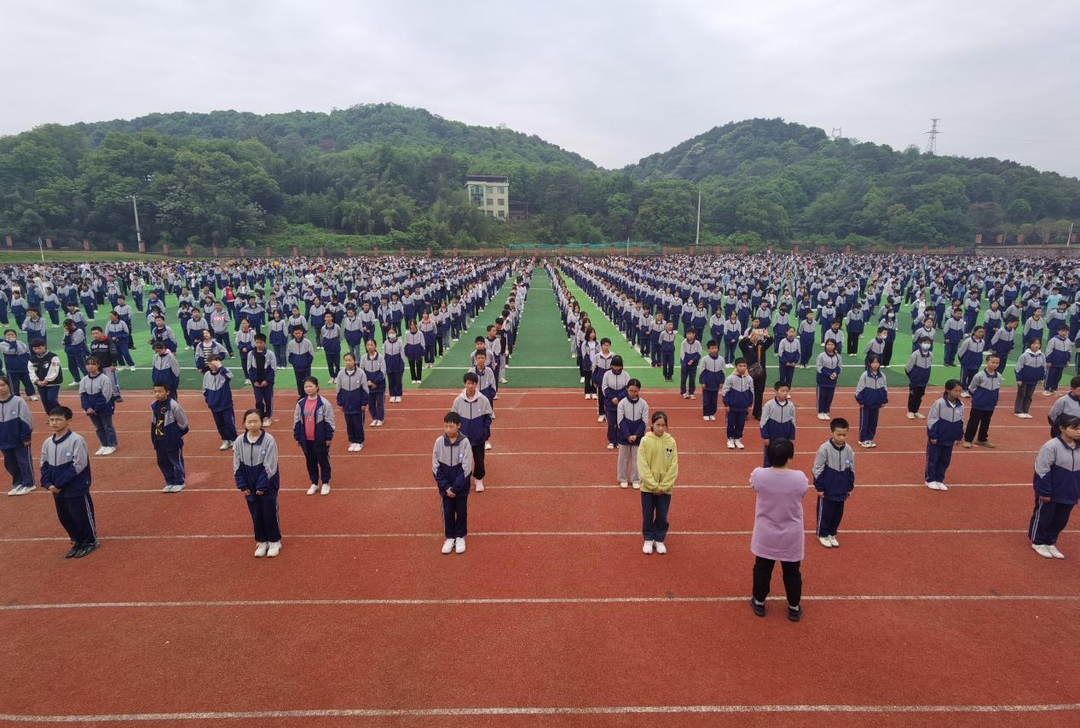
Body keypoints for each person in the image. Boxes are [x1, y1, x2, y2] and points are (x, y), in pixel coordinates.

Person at [749, 438, 809, 622]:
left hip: (766, 533)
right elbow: (804, 491)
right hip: (791, 535)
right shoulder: (799, 478)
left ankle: (759, 602)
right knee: (792, 572)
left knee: (762, 569)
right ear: (790, 457)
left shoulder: (759, 475)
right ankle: (793, 607)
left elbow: (753, 484)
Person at [40, 406, 96, 558]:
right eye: (51, 420)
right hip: (56, 489)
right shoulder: (47, 443)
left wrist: (58, 484)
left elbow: (79, 464)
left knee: (80, 514)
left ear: (68, 421)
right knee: (64, 516)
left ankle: (89, 541)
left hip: (75, 487)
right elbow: (44, 464)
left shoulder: (76, 440)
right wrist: (47, 483)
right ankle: (77, 540)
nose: (54, 423)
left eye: (58, 419)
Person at [1029, 414, 1080, 559]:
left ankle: (1050, 541)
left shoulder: (1078, 446)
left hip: (1070, 492)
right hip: (1051, 492)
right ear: (1062, 428)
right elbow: (1042, 470)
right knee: (1044, 517)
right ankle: (1038, 541)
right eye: (1075, 428)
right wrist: (1044, 492)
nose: (1079, 432)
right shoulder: (1051, 446)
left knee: (1061, 520)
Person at [234, 409, 282, 558]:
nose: (252, 424)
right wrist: (242, 485)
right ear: (244, 424)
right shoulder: (239, 441)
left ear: (261, 423)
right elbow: (236, 464)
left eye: (256, 421)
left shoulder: (268, 440)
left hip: (268, 483)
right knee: (255, 513)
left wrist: (262, 486)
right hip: (249, 482)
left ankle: (274, 540)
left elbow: (270, 465)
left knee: (269, 512)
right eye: (249, 421)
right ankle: (261, 540)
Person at [637, 410, 678, 554]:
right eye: (657, 425)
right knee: (648, 514)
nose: (660, 428)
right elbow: (642, 465)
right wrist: (653, 486)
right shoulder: (645, 441)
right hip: (648, 488)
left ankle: (659, 539)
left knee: (662, 514)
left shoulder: (671, 442)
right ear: (651, 424)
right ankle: (648, 538)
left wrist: (664, 486)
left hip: (665, 489)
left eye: (663, 425)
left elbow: (674, 466)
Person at [434, 410, 473, 555]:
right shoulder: (438, 442)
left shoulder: (465, 442)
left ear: (458, 426)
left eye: (451, 426)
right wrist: (446, 487)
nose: (448, 430)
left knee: (461, 511)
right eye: (445, 426)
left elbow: (467, 467)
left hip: (460, 487)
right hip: (445, 488)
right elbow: (435, 467)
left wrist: (455, 488)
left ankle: (460, 536)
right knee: (448, 511)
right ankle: (450, 537)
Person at [812, 418, 855, 548]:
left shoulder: (848, 450)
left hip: (841, 489)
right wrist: (819, 487)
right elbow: (817, 468)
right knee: (826, 512)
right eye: (839, 434)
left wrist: (849, 487)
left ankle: (832, 532)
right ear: (832, 433)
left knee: (838, 513)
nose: (842, 437)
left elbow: (851, 468)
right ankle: (822, 533)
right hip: (827, 489)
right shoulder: (824, 449)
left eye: (844, 435)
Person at [451, 372, 492, 492]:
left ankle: (479, 479)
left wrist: (483, 431)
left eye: (473, 383)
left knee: (479, 459)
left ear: (476, 384)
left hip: (478, 437)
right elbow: (453, 417)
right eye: (468, 383)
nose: (470, 386)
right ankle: (463, 479)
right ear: (464, 384)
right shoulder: (458, 400)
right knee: (462, 459)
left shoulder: (483, 400)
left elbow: (488, 417)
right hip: (463, 438)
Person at [294, 376, 334, 496]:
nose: (308, 389)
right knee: (310, 461)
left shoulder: (324, 403)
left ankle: (326, 482)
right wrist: (297, 436)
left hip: (320, 439)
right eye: (306, 386)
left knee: (323, 460)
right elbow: (296, 420)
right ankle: (314, 482)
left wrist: (328, 437)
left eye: (310, 386)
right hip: (306, 439)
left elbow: (329, 421)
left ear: (317, 387)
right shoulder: (300, 403)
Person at [925, 380, 965, 491]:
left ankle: (939, 479)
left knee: (945, 460)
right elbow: (932, 419)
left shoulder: (961, 405)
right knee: (933, 459)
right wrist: (932, 435)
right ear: (948, 390)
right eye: (955, 390)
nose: (958, 393)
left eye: (960, 391)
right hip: (937, 438)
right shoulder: (939, 403)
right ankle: (930, 479)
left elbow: (961, 421)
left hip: (950, 438)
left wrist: (958, 436)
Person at [151, 383, 189, 493]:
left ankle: (179, 482)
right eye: (155, 392)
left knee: (175, 461)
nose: (157, 394)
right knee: (162, 461)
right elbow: (154, 421)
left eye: (160, 391)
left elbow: (183, 423)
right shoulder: (153, 405)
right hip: (159, 438)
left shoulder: (174, 406)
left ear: (167, 392)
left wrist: (177, 434)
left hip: (172, 438)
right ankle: (170, 481)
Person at [0, 376, 34, 496]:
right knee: (10, 463)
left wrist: (26, 437)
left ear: (9, 386)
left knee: (24, 462)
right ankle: (18, 482)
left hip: (19, 439)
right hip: (3, 440)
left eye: (3, 385)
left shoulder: (18, 401)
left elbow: (26, 420)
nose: (1, 388)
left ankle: (29, 483)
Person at [79, 357, 118, 456]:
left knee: (107, 426)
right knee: (98, 428)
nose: (90, 366)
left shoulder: (104, 379)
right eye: (88, 364)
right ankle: (104, 444)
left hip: (104, 407)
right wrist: (87, 407)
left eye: (93, 364)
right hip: (91, 409)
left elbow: (106, 395)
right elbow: (83, 395)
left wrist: (95, 408)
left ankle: (111, 445)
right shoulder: (84, 380)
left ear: (98, 365)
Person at [964, 353, 1002, 448]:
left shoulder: (999, 376)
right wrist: (978, 398)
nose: (995, 364)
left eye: (997, 363)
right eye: (993, 362)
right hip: (979, 404)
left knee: (986, 422)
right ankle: (968, 439)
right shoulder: (979, 375)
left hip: (990, 404)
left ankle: (982, 439)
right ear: (987, 362)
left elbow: (997, 388)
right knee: (974, 422)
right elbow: (972, 388)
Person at [616, 379, 649, 489]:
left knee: (637, 459)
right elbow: (620, 421)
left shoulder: (644, 404)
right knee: (623, 458)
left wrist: (636, 435)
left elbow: (644, 421)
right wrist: (628, 435)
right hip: (624, 435)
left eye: (635, 391)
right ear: (627, 389)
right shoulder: (622, 403)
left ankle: (635, 479)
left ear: (639, 390)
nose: (633, 393)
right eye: (631, 390)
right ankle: (623, 479)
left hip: (638, 437)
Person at [336, 352, 369, 452]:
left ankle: (359, 441)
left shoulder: (360, 373)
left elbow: (365, 389)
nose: (348, 362)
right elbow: (338, 389)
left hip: (357, 404)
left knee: (358, 423)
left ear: (354, 361)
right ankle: (352, 441)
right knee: (349, 423)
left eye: (350, 360)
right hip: (346, 404)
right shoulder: (341, 373)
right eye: (346, 360)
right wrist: (340, 403)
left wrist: (364, 403)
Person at [203, 355, 237, 451]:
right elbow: (204, 389)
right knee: (219, 423)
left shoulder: (224, 372)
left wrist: (220, 367)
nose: (211, 366)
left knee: (229, 422)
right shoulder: (207, 375)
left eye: (213, 363)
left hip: (225, 404)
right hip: (214, 405)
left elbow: (230, 376)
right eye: (209, 364)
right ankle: (225, 440)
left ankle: (234, 440)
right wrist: (208, 400)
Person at [738, 325, 773, 419]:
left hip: (761, 373)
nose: (755, 336)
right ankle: (744, 412)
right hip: (748, 373)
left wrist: (766, 335)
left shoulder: (761, 345)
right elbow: (740, 344)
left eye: (756, 334)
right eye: (753, 334)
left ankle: (757, 413)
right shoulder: (746, 345)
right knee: (746, 393)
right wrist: (749, 336)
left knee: (759, 393)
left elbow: (771, 341)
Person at [760, 381, 796, 467]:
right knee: (768, 458)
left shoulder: (791, 406)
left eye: (787, 391)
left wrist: (791, 437)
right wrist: (765, 436)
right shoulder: (769, 405)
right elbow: (763, 422)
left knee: (783, 458)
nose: (785, 393)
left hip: (785, 438)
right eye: (782, 391)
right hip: (772, 438)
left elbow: (793, 422)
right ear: (776, 391)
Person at [854, 356, 888, 448]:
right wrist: (860, 401)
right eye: (873, 362)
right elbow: (859, 390)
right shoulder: (865, 375)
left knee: (873, 422)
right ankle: (862, 439)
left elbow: (884, 389)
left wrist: (884, 400)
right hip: (866, 404)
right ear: (869, 363)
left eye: (877, 362)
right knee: (864, 422)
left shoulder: (882, 376)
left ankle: (870, 438)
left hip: (876, 404)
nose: (875, 365)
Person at [722, 358, 754, 450]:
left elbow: (751, 392)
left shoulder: (749, 379)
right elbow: (725, 392)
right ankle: (730, 439)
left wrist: (750, 405)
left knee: (741, 423)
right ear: (736, 367)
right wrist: (726, 404)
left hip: (743, 407)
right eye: (740, 366)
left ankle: (738, 438)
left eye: (744, 366)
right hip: (732, 407)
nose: (742, 368)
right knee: (731, 423)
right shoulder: (730, 378)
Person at [247, 334, 276, 427]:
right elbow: (249, 368)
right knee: (258, 400)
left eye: (261, 342)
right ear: (254, 342)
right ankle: (260, 415)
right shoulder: (251, 354)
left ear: (264, 343)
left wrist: (267, 380)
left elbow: (273, 368)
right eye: (257, 342)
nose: (258, 344)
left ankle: (267, 417)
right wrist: (254, 380)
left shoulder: (270, 354)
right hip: (256, 382)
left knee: (268, 399)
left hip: (267, 382)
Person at [601, 356, 630, 450]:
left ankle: (619, 441)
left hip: (621, 403)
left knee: (620, 423)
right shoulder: (607, 374)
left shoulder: (626, 375)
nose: (617, 368)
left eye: (618, 366)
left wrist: (619, 398)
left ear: (622, 366)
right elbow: (604, 387)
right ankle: (612, 441)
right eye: (614, 366)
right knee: (611, 423)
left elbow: (627, 389)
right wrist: (612, 398)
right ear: (611, 365)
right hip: (610, 403)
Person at [1014, 338, 1046, 419]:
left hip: (1034, 380)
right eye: (1034, 343)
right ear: (1030, 344)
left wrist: (1041, 378)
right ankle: (1018, 411)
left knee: (1029, 396)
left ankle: (1025, 411)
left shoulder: (1042, 355)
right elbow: (1018, 368)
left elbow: (1043, 367)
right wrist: (1019, 379)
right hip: (1024, 379)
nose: (1036, 345)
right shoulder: (1024, 355)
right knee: (1021, 395)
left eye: (1038, 344)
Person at [30, 339, 62, 413]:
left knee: (51, 399)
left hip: (53, 383)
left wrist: (47, 380)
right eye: (35, 349)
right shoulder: (32, 360)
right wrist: (37, 381)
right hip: (40, 384)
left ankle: (60, 413)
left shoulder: (53, 357)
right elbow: (31, 372)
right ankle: (50, 415)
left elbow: (54, 370)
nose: (37, 350)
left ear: (44, 346)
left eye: (39, 348)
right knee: (45, 401)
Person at [2, 331, 36, 401]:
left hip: (24, 367)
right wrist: (13, 343)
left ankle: (31, 395)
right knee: (14, 385)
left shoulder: (20, 343)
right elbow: (12, 351)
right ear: (5, 336)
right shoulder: (2, 345)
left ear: (15, 335)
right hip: (12, 369)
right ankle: (16, 397)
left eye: (12, 334)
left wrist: (28, 361)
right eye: (8, 335)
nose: (10, 336)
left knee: (28, 382)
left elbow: (27, 352)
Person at [904, 341, 933, 419]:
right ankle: (910, 411)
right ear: (920, 344)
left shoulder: (930, 354)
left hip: (923, 381)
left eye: (928, 343)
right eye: (925, 342)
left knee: (919, 396)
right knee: (913, 395)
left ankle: (916, 411)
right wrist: (912, 377)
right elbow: (908, 367)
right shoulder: (915, 354)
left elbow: (929, 365)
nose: (927, 344)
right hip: (915, 380)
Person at [361, 338, 387, 426]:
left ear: (375, 346)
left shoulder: (380, 357)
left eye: (371, 345)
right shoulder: (364, 358)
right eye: (368, 345)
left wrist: (375, 383)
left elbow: (382, 372)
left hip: (379, 385)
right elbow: (362, 371)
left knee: (380, 403)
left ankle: (380, 418)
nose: (369, 347)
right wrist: (368, 381)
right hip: (368, 385)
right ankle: (374, 418)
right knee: (371, 404)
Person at [814, 338, 841, 420]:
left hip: (832, 381)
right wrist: (829, 374)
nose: (830, 346)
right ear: (825, 345)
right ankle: (820, 411)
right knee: (822, 396)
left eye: (832, 345)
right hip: (822, 380)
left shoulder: (838, 356)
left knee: (829, 396)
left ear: (835, 346)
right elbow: (819, 367)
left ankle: (826, 411)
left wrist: (835, 373)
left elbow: (839, 366)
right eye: (828, 344)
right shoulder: (821, 356)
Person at [699, 340, 725, 421]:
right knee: (706, 400)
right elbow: (701, 371)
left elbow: (723, 371)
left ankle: (711, 413)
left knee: (714, 400)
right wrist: (703, 382)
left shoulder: (721, 359)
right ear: (708, 349)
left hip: (716, 383)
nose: (714, 350)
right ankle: (706, 413)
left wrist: (721, 382)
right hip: (707, 383)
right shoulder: (705, 359)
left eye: (715, 348)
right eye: (712, 348)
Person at [286, 326, 315, 398]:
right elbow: (289, 356)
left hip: (306, 368)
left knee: (307, 382)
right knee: (299, 382)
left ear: (302, 332)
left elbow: (311, 355)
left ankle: (308, 395)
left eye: (299, 333)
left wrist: (307, 363)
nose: (298, 334)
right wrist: (294, 363)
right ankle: (302, 395)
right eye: (296, 333)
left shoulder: (307, 342)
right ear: (293, 334)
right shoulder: (291, 343)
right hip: (297, 367)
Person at [1044, 325, 1073, 396]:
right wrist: (1048, 361)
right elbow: (1048, 351)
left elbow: (1069, 351)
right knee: (1050, 376)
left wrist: (1068, 361)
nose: (1064, 333)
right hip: (1053, 362)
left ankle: (1054, 389)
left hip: (1062, 363)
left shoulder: (1068, 341)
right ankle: (1046, 389)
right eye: (1062, 331)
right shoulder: (1053, 340)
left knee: (1058, 376)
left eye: (1065, 331)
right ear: (1058, 331)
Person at [384, 328, 406, 403]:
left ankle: (398, 395)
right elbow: (384, 354)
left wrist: (403, 363)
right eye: (390, 333)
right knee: (391, 381)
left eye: (393, 332)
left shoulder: (399, 342)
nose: (391, 334)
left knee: (398, 380)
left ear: (396, 333)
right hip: (389, 363)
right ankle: (392, 395)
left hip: (398, 363)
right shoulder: (386, 343)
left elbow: (402, 354)